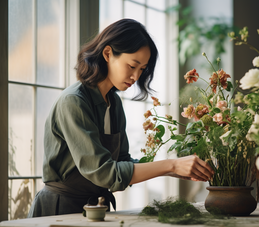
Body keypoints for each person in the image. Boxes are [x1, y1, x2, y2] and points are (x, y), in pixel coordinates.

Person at [28, 18, 214, 218]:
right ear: (108, 53)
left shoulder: (114, 103)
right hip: (58, 210)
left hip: (93, 210)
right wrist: (171, 165)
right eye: (132, 65)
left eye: (142, 69)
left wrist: (174, 170)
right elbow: (105, 173)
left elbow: (122, 162)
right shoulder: (74, 102)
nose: (135, 76)